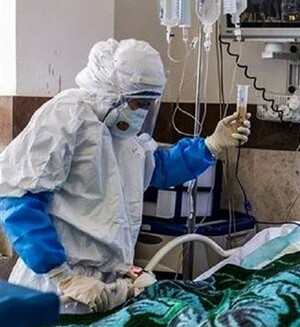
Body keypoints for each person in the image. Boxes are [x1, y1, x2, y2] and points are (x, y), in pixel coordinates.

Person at [0, 39, 251, 313]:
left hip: (107, 288)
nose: (142, 113)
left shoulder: (123, 136)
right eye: (139, 103)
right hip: (56, 286)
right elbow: (18, 198)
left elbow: (159, 168)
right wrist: (63, 276)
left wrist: (211, 145)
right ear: (112, 94)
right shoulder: (67, 116)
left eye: (148, 104)